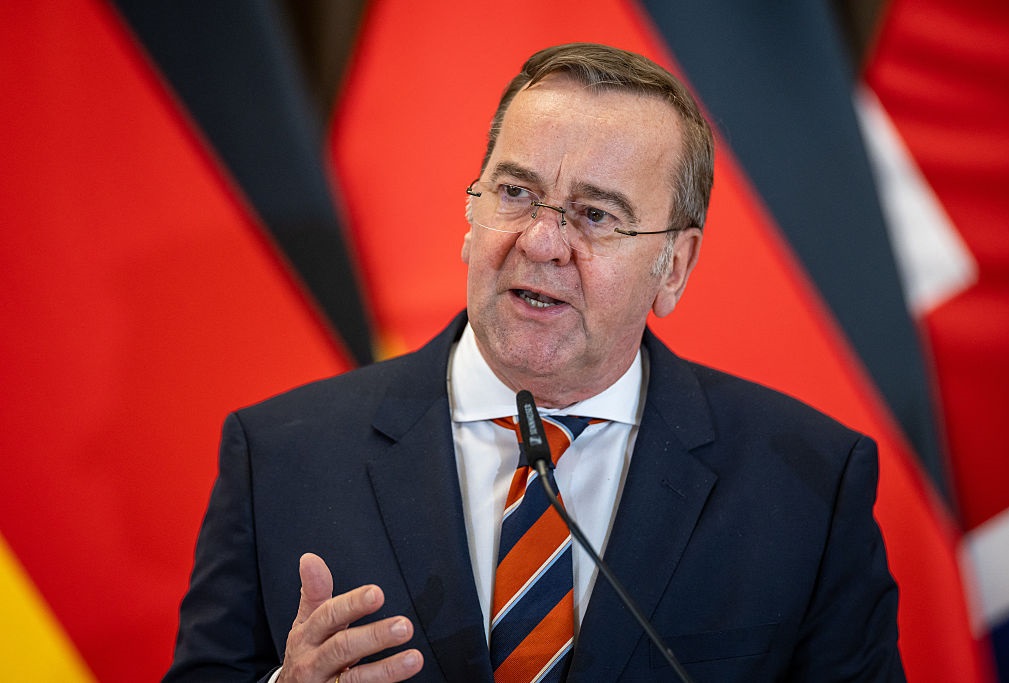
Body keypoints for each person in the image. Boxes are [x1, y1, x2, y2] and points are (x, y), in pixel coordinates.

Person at [164, 43, 905, 682]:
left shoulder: (807, 486)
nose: (542, 242)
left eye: (595, 215)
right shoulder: (280, 458)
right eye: (516, 193)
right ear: (471, 217)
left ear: (674, 267)